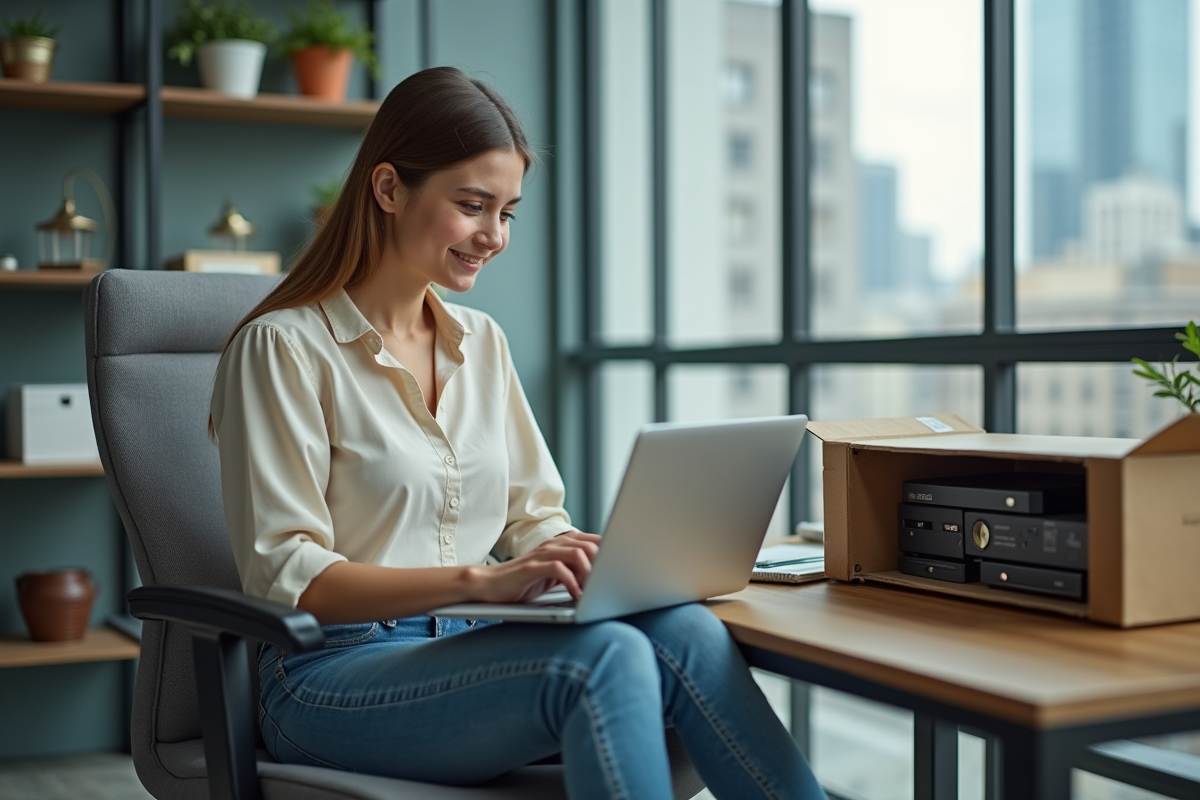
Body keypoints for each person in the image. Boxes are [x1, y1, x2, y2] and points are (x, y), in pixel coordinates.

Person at [209, 66, 826, 800]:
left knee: (683, 627)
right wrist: (484, 578)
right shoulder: (282, 349)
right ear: (387, 190)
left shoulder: (482, 342)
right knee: (605, 661)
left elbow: (533, 518)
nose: (493, 236)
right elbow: (289, 577)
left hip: (467, 643)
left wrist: (574, 563)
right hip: (326, 678)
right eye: (473, 206)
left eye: (507, 213)